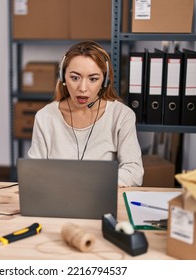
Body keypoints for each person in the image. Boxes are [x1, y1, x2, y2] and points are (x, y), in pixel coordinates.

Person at [27, 40, 144, 187]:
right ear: (63, 78)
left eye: (93, 79)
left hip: (100, 196)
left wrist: (90, 183)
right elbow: (34, 171)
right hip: (57, 197)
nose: (82, 88)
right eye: (75, 78)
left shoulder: (121, 115)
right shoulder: (45, 116)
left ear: (105, 81)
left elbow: (134, 172)